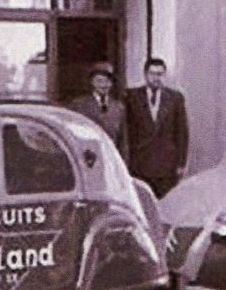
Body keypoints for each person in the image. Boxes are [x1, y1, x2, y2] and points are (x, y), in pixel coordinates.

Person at [126, 57, 189, 198]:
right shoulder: (132, 97)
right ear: (145, 74)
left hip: (166, 165)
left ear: (164, 75)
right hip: (140, 163)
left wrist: (180, 163)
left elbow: (182, 133)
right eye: (152, 74)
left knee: (166, 202)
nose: (156, 78)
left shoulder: (175, 98)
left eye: (160, 74)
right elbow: (127, 132)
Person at [69, 62, 127, 159]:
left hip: (111, 159)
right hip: (88, 159)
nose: (104, 85)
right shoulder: (79, 105)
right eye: (99, 81)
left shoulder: (118, 107)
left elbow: (123, 141)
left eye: (107, 81)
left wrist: (123, 162)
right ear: (92, 82)